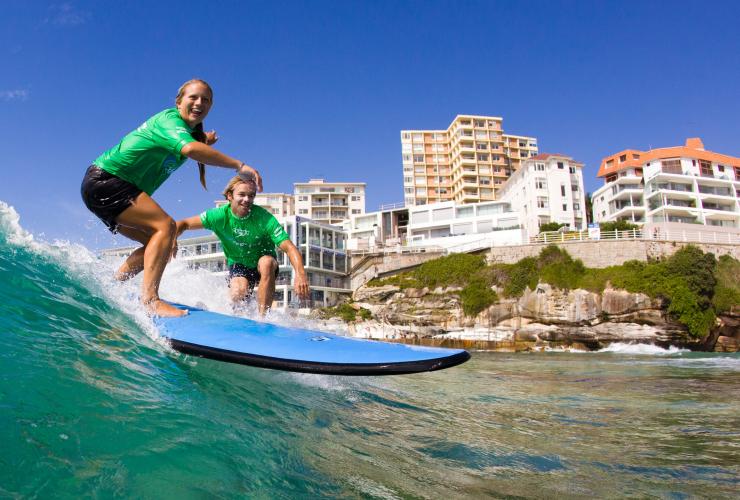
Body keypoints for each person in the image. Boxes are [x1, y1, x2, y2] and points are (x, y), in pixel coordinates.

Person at [81, 79, 262, 317]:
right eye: (193, 97)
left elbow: (196, 142)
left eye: (206, 100)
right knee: (166, 227)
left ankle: (112, 286)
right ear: (178, 102)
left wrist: (206, 138)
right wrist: (239, 166)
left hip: (106, 187)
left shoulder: (188, 132)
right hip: (108, 180)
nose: (199, 103)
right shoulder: (169, 121)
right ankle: (151, 301)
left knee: (160, 245)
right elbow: (189, 149)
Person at [176, 176, 310, 315]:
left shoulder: (264, 218)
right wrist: (172, 238)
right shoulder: (219, 216)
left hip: (263, 263)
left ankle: (263, 318)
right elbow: (183, 224)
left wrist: (300, 275)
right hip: (239, 263)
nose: (247, 199)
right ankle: (238, 315)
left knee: (267, 262)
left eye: (251, 196)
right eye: (241, 194)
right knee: (238, 292)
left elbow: (289, 247)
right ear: (229, 196)